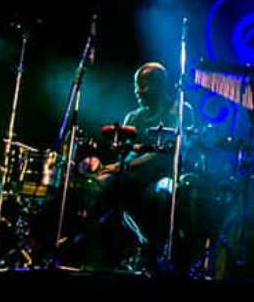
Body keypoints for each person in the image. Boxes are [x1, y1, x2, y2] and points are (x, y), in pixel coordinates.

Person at [82, 61, 197, 274]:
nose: (137, 91)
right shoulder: (133, 117)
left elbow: (165, 154)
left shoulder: (180, 110)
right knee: (98, 184)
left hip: (166, 175)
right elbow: (125, 153)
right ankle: (99, 256)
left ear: (160, 84)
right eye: (136, 85)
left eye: (142, 85)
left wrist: (121, 167)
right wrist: (104, 167)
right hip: (135, 177)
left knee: (163, 192)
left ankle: (156, 253)